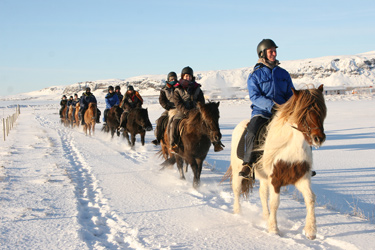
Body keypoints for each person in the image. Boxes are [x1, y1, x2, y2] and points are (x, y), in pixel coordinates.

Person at [239, 39, 295, 178]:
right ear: (262, 53)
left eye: (275, 51)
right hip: (262, 111)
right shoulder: (255, 75)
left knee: (302, 128)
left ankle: (304, 163)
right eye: (271, 51)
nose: (274, 53)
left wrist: (289, 105)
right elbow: (255, 97)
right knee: (252, 130)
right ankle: (248, 164)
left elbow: (291, 93)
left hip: (283, 111)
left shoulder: (284, 74)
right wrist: (272, 106)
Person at [169, 66, 223, 153]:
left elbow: (201, 101)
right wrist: (186, 111)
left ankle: (216, 143)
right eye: (186, 76)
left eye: (189, 76)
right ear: (182, 76)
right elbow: (178, 103)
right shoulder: (177, 89)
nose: (188, 78)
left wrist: (199, 110)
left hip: (196, 112)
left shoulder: (197, 88)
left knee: (209, 123)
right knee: (174, 123)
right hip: (183, 112)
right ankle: (174, 144)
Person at [152, 71, 178, 145]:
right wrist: (166, 106)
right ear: (168, 80)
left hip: (179, 108)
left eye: (174, 79)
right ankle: (158, 138)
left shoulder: (180, 87)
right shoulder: (164, 89)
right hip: (169, 109)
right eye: (171, 79)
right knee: (160, 120)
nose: (173, 80)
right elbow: (161, 100)